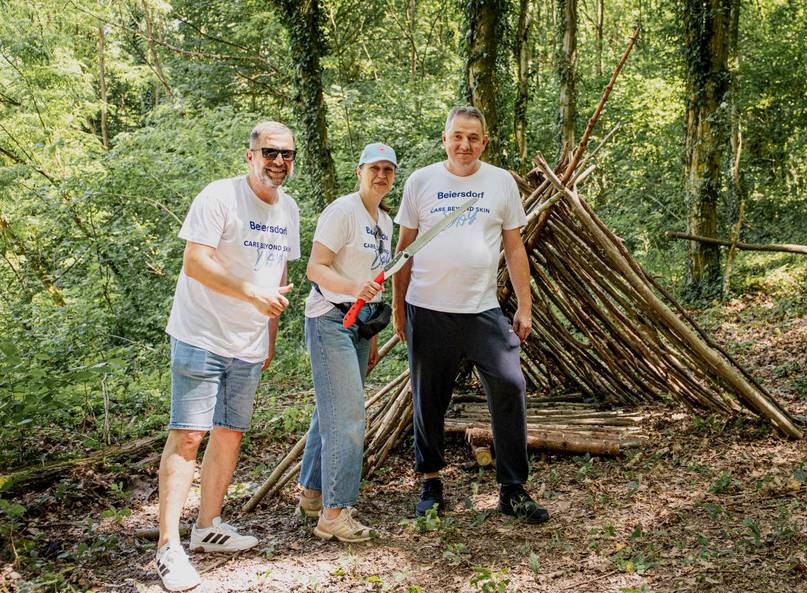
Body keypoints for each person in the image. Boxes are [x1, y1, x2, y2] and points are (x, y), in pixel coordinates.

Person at [154, 121, 301, 591]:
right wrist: (250, 294)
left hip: (249, 341)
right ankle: (168, 548)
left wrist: (269, 333)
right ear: (250, 155)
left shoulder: (289, 210)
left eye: (287, 154)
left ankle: (207, 527)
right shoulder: (219, 196)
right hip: (201, 334)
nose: (279, 161)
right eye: (270, 152)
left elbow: (276, 275)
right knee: (190, 434)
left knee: (230, 433)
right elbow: (195, 261)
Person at [393, 106, 549, 524]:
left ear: (484, 142)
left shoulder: (499, 182)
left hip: (482, 310)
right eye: (457, 136)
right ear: (444, 139)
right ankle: (430, 483)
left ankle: (512, 489)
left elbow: (515, 248)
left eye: (473, 138)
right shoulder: (421, 181)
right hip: (428, 309)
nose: (464, 145)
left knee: (510, 385)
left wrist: (525, 305)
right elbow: (403, 250)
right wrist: (398, 307)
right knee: (428, 399)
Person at [296, 143, 397, 542]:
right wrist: (354, 288)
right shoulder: (343, 211)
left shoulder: (385, 223)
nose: (382, 176)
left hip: (358, 325)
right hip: (330, 320)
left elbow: (372, 280)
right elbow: (314, 268)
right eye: (375, 168)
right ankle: (335, 514)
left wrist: (369, 333)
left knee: (331, 412)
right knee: (350, 416)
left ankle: (313, 494)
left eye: (389, 170)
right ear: (359, 170)